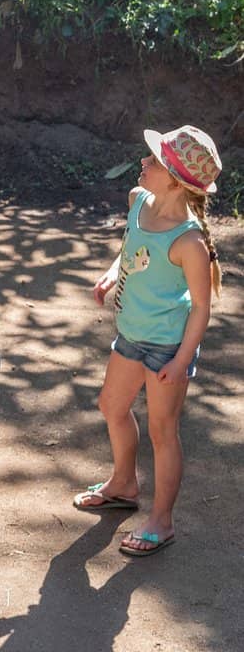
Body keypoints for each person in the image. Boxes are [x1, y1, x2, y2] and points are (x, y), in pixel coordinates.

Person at [73, 125, 223, 557]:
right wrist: (111, 272)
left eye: (154, 160)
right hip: (130, 336)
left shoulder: (189, 241)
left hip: (166, 349)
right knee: (111, 406)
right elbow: (131, 250)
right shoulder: (138, 201)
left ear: (176, 180)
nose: (142, 162)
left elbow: (200, 308)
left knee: (162, 431)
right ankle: (123, 484)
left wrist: (182, 360)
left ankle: (162, 521)